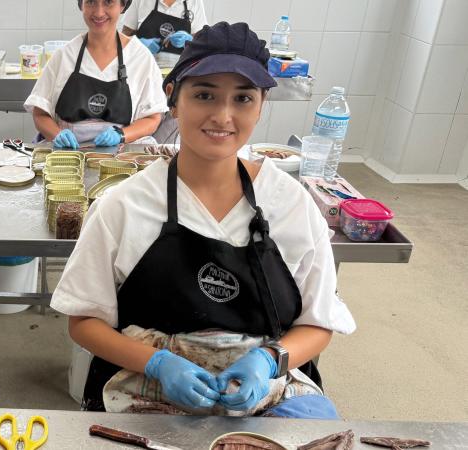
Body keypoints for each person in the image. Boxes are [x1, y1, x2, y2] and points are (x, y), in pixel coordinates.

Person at [51, 22, 356, 418]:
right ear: (173, 101)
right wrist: (159, 363)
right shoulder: (123, 206)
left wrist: (267, 361)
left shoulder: (291, 204)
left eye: (243, 98)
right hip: (145, 386)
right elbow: (84, 322)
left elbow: (317, 323)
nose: (223, 116)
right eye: (204, 94)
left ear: (261, 105)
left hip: (269, 391)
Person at [25, 0, 168, 149]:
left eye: (108, 2)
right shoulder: (64, 56)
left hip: (122, 159)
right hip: (68, 156)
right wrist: (57, 134)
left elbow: (153, 118)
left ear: (122, 5)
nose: (99, 12)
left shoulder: (140, 58)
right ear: (81, 5)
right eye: (91, 2)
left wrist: (121, 135)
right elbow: (40, 114)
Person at [121, 0, 209, 68]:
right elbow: (124, 38)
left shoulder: (194, 2)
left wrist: (189, 39)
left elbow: (202, 42)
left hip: (178, 74)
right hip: (140, 68)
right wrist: (139, 44)